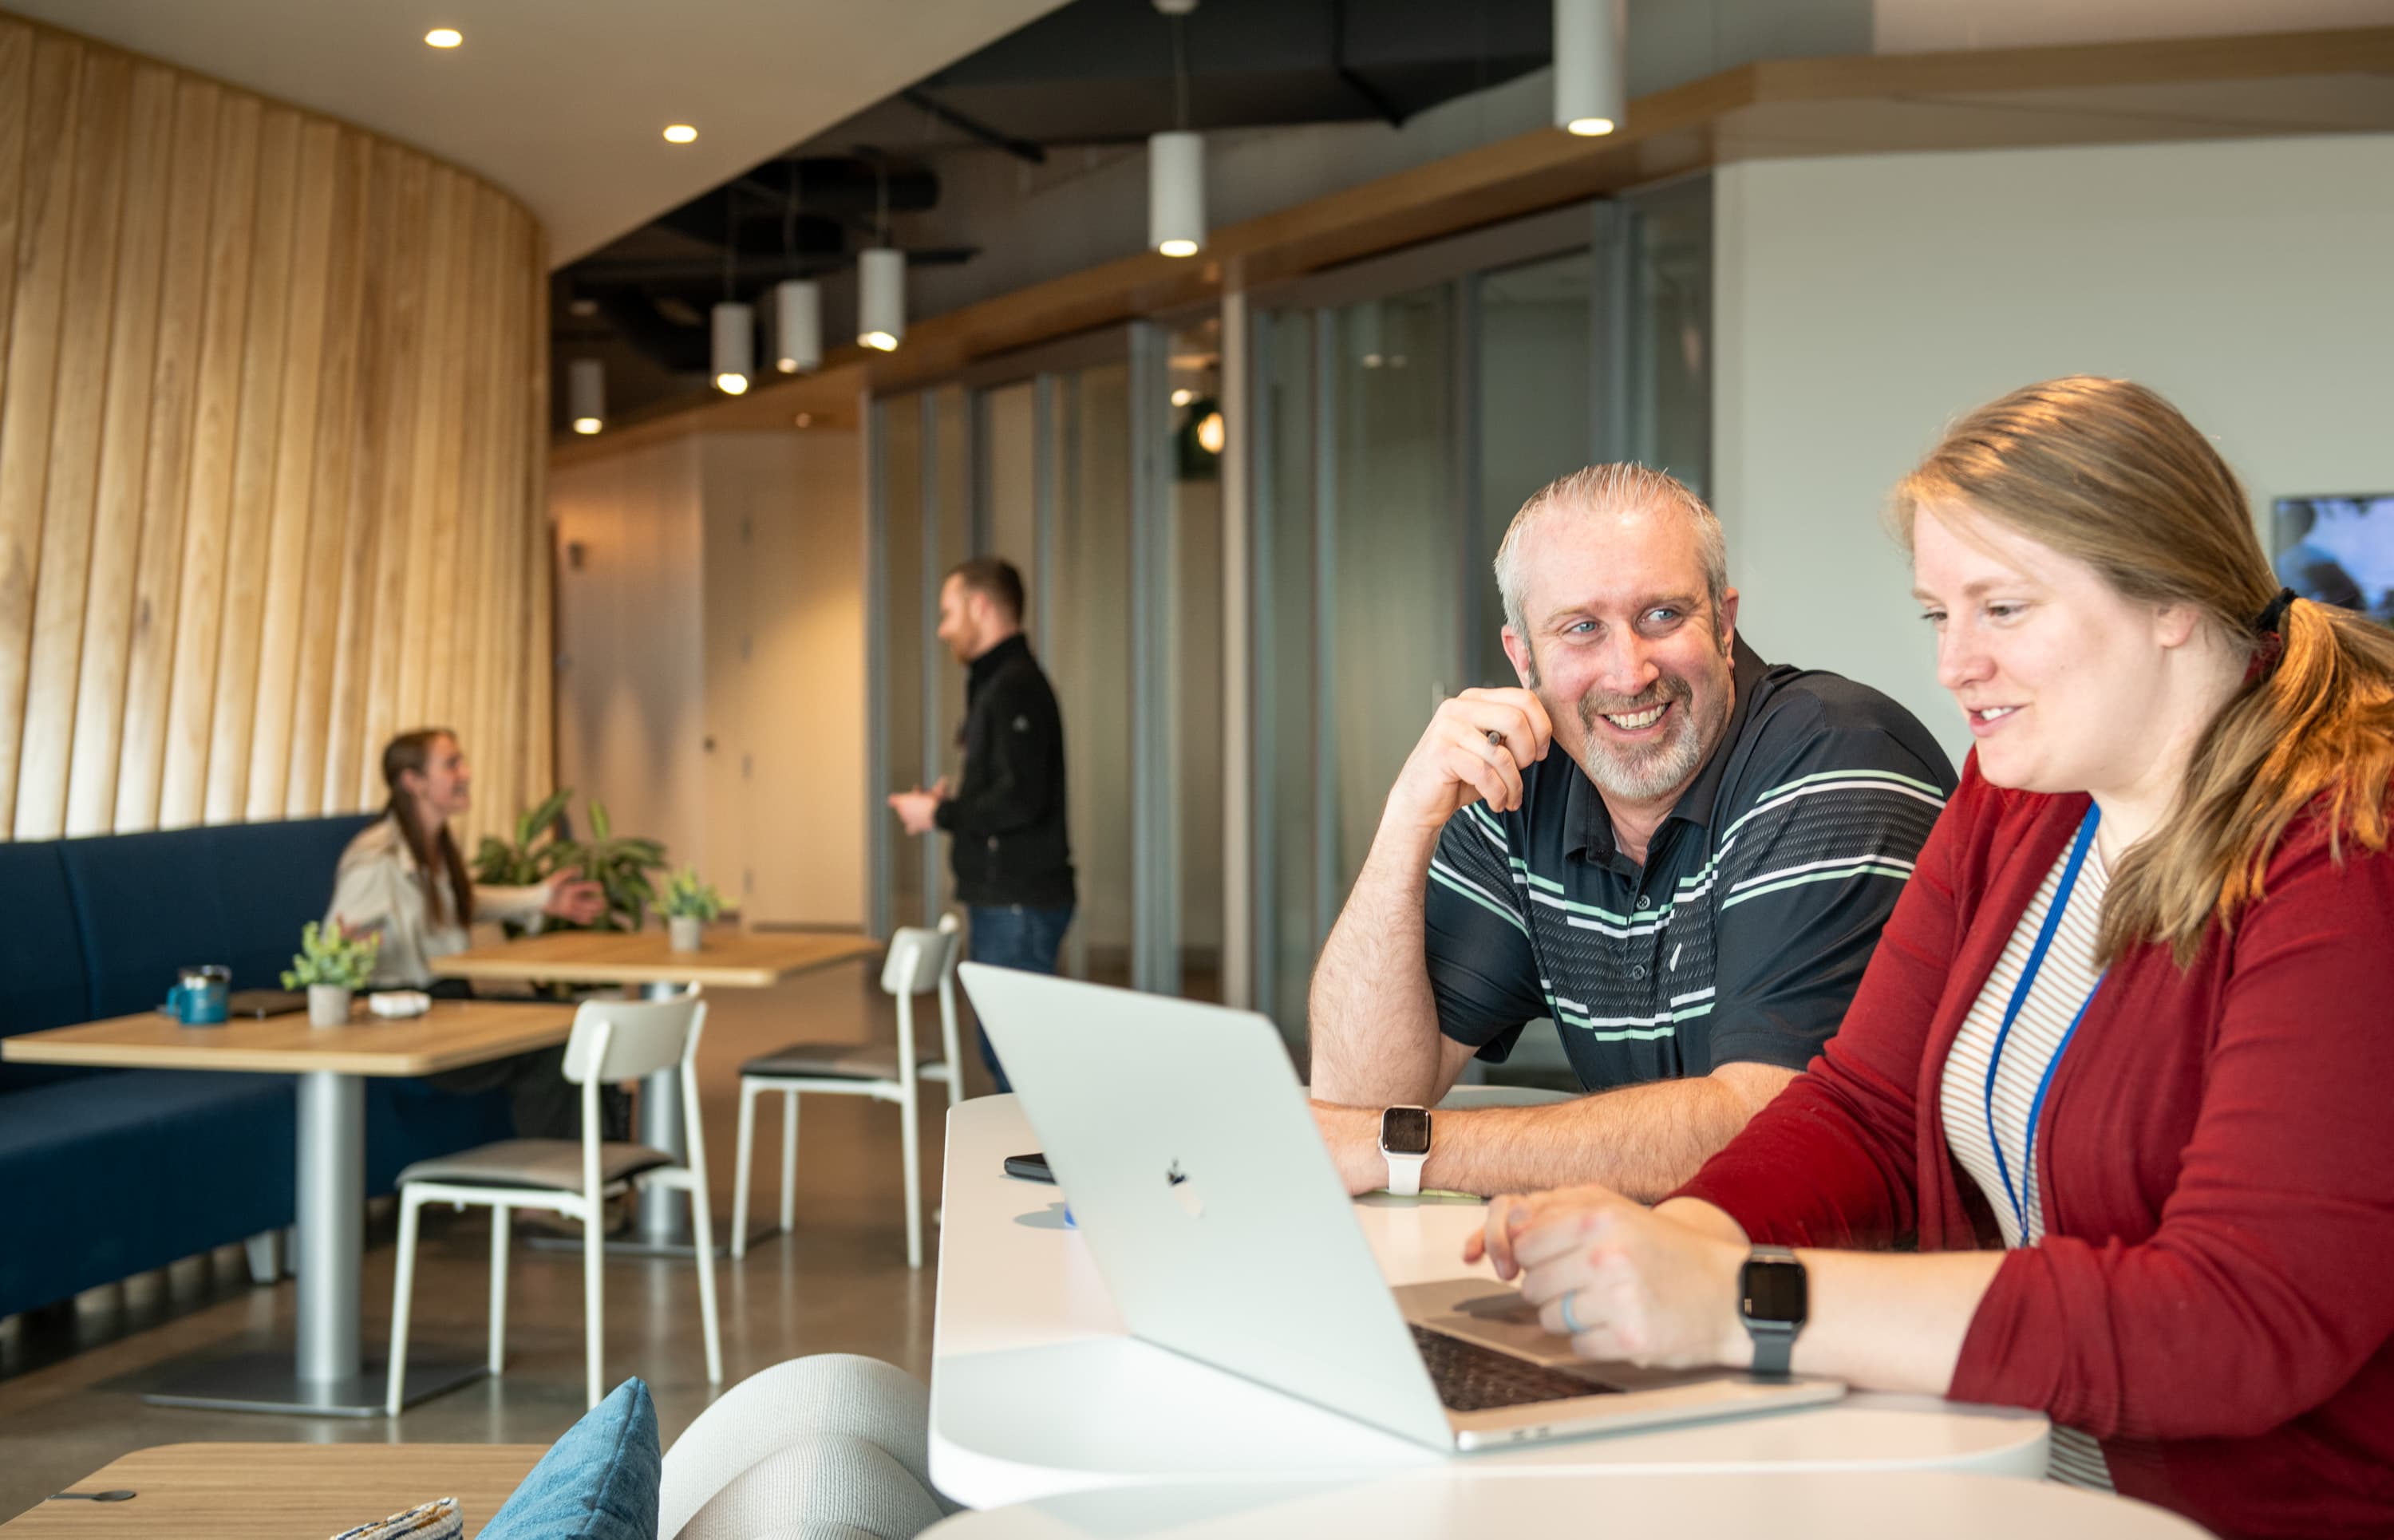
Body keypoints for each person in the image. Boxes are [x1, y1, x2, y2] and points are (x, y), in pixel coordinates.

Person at [1472, 379, 2394, 1537]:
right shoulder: (2021, 791)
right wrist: (1688, 1235)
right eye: (1936, 617)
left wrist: (1744, 1297)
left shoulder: (2347, 849)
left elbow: (2233, 1318)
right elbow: (1865, 1105)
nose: (1957, 666)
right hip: (2009, 1471)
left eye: (2002, 609)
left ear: (2170, 595)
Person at [1308, 464, 1953, 1199]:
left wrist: (1408, 1148)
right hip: (1661, 1255)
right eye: (1582, 629)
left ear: (1725, 623)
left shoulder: (1837, 759)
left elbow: (1772, 1133)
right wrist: (1405, 823)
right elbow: (1357, 1098)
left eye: (1662, 616)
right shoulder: (1523, 784)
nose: (1629, 672)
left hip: (1860, 1264)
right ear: (1523, 659)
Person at [330, 728, 606, 1139]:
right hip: (406, 1022)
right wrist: (350, 952)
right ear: (414, 781)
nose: (467, 773)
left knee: (573, 1020)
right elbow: (332, 948)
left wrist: (539, 899)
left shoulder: (434, 845)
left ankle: (589, 1165)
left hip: (447, 1004)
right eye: (452, 764)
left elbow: (458, 903)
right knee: (557, 1042)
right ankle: (555, 1176)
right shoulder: (376, 858)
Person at [888, 558, 1074, 1093]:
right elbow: (1012, 790)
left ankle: (1034, 1148)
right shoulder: (1000, 683)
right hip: (1011, 903)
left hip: (1016, 904)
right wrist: (955, 802)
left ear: (981, 606)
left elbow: (1022, 800)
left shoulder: (1014, 687)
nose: (942, 629)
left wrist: (939, 813)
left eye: (949, 613)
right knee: (1010, 1054)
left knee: (1017, 1060)